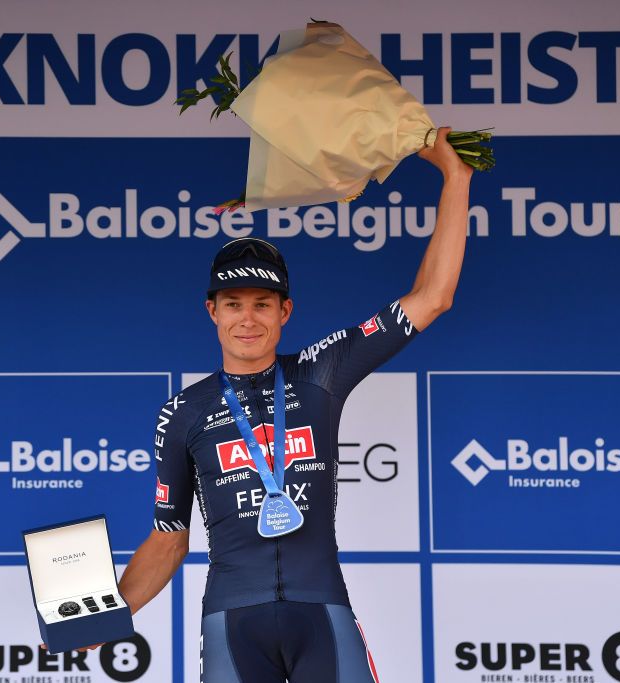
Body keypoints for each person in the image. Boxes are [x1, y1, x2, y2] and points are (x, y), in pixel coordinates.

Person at [98, 128, 469, 681]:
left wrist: (455, 177)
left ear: (285, 312)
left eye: (262, 304)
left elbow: (432, 297)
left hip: (321, 610)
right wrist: (106, 617)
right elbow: (169, 538)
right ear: (212, 312)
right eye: (234, 304)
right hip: (232, 620)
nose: (248, 318)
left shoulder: (321, 371)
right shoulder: (184, 412)